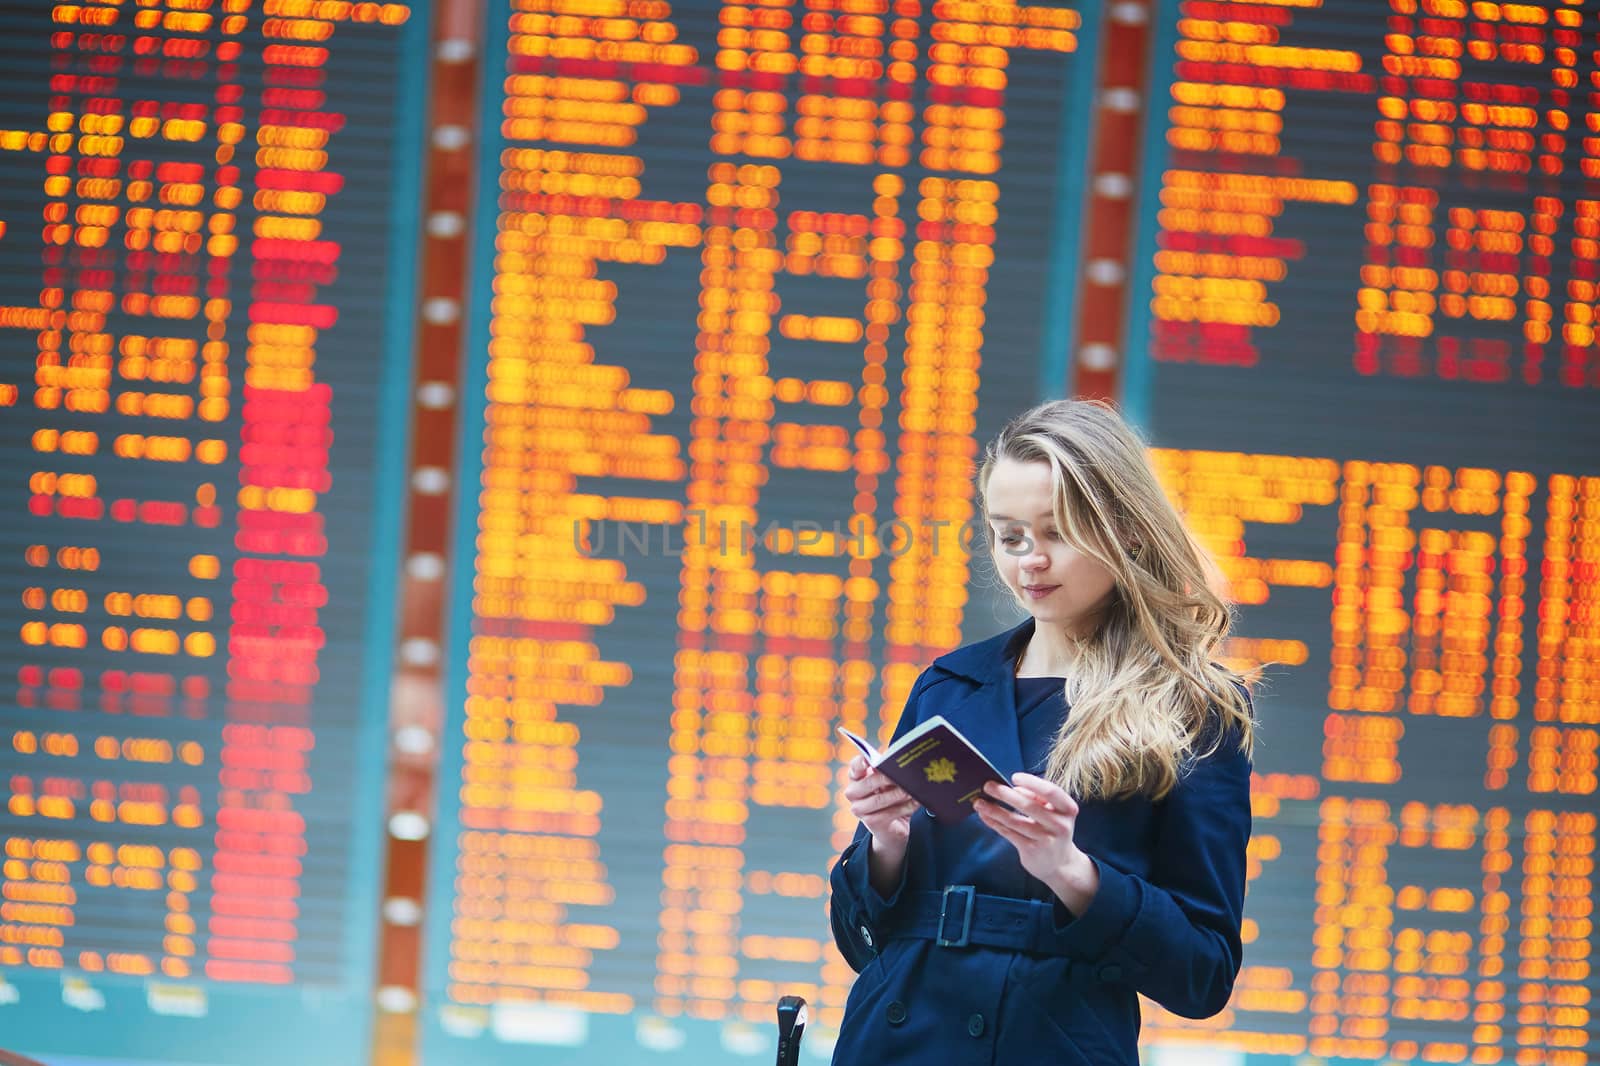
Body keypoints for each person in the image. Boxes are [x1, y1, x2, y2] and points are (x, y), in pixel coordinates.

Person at [827, 398, 1258, 1065]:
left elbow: (1203, 974)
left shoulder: (1193, 709)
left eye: (1057, 532)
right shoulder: (950, 685)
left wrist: (1072, 872)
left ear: (1129, 531)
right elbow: (861, 938)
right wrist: (886, 840)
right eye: (1010, 536)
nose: (1030, 560)